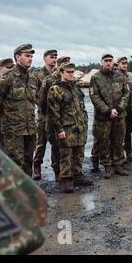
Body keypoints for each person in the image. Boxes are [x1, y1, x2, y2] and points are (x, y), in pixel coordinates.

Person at [0, 44, 38, 176]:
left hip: (30, 129)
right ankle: (15, 194)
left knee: (29, 161)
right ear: (17, 57)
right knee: (15, 163)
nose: (30, 59)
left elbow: (35, 100)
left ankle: (28, 192)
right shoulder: (7, 77)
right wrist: (7, 117)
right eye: (27, 56)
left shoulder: (33, 78)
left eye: (31, 56)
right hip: (13, 130)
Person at [47, 62, 93, 193]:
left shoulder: (76, 88)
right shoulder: (55, 89)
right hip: (66, 128)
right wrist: (59, 129)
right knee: (66, 155)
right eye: (69, 72)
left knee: (79, 153)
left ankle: (78, 175)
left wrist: (84, 122)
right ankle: (66, 179)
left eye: (73, 72)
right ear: (61, 72)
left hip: (79, 126)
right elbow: (53, 113)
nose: (72, 74)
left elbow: (81, 106)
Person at [89, 53, 129, 179]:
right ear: (101, 62)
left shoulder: (120, 76)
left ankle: (118, 164)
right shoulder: (96, 78)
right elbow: (94, 96)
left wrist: (118, 109)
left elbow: (126, 93)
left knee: (118, 140)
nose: (108, 63)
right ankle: (107, 165)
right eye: (106, 60)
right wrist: (107, 111)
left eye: (110, 60)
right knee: (103, 141)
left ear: (113, 63)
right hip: (103, 117)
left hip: (119, 115)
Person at [38, 56, 71, 182]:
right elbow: (41, 101)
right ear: (60, 66)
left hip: (67, 119)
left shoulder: (69, 78)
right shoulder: (49, 79)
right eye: (65, 63)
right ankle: (57, 171)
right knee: (55, 146)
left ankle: (67, 171)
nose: (68, 66)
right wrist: (49, 115)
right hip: (52, 118)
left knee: (66, 146)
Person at [32, 49, 57, 180]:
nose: (54, 59)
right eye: (51, 57)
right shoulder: (37, 75)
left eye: (55, 57)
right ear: (45, 58)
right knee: (41, 142)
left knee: (56, 143)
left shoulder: (58, 74)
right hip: (43, 114)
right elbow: (35, 94)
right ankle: (37, 166)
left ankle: (57, 169)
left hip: (56, 115)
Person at [117, 56, 132, 163]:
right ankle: (120, 154)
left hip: (130, 108)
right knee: (120, 133)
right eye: (122, 63)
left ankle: (128, 152)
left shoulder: (131, 76)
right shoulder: (115, 76)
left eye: (126, 63)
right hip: (120, 109)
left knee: (129, 131)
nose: (124, 65)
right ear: (118, 64)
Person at [0, 58, 14, 143]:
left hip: (9, 124)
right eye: (8, 68)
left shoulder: (11, 83)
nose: (11, 70)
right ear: (0, 68)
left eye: (12, 67)